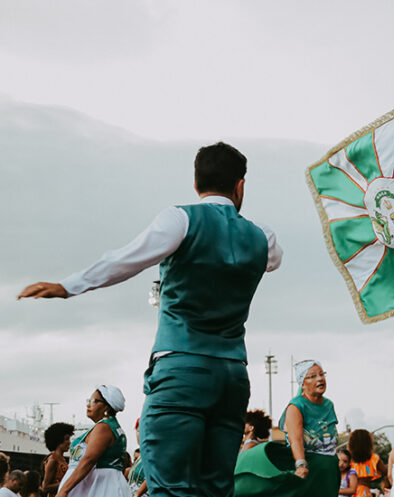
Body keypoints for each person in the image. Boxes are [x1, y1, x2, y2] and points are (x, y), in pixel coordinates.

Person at [18, 142, 283, 497]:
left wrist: (68, 285)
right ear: (240, 185)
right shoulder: (262, 236)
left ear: (196, 184)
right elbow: (273, 260)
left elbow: (125, 260)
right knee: (217, 489)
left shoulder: (181, 218)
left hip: (181, 370)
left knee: (172, 487)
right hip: (232, 376)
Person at [234, 360, 339, 497]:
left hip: (329, 470)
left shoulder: (329, 405)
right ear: (302, 383)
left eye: (321, 374)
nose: (319, 379)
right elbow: (295, 438)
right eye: (312, 376)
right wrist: (301, 465)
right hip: (309, 468)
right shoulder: (296, 407)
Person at [57, 386, 130, 497]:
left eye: (94, 401)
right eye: (89, 400)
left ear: (106, 406)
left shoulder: (104, 427)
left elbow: (89, 460)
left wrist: (64, 490)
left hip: (99, 488)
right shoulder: (108, 426)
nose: (88, 404)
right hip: (99, 486)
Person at [348, 429, 389, 497]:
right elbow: (387, 472)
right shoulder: (374, 459)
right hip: (365, 493)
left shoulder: (348, 460)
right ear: (368, 443)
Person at [42, 423, 74, 497]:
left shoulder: (61, 459)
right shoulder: (53, 460)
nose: (69, 442)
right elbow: (45, 487)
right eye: (66, 439)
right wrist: (68, 482)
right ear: (58, 440)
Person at [127, 419, 147, 497]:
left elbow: (150, 478)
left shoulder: (156, 454)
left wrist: (138, 494)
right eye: (138, 430)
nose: (141, 434)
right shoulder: (141, 456)